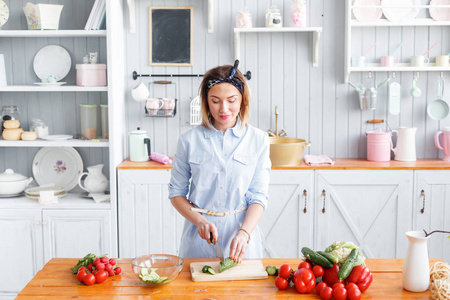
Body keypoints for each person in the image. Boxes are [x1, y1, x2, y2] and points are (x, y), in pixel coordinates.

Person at [168, 60, 271, 263]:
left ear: (242, 100)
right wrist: (200, 222)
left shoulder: (258, 140)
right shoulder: (189, 141)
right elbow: (176, 193)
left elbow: (259, 196)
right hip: (199, 243)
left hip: (243, 240)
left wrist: (244, 233)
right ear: (206, 102)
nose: (224, 109)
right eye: (215, 101)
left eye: (231, 100)